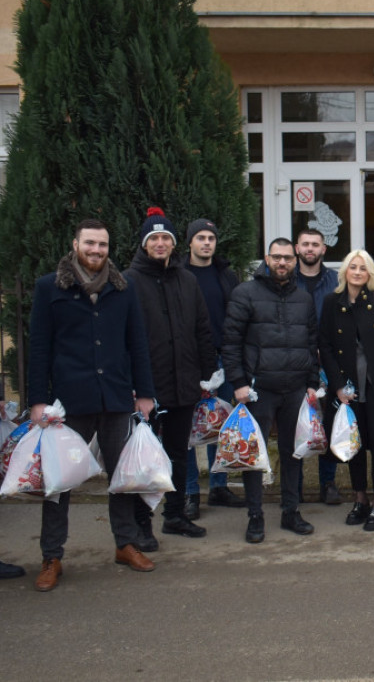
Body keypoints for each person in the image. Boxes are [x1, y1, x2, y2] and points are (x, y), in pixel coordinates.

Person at [28, 218, 157, 590]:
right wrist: (37, 401)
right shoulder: (49, 288)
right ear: (76, 245)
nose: (96, 250)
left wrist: (145, 393)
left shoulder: (123, 288)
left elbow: (137, 343)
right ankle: (51, 555)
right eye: (90, 243)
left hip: (115, 397)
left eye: (102, 244)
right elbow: (39, 348)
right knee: (59, 481)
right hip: (69, 402)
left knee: (122, 477)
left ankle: (125, 543)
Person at [125, 207, 216, 542]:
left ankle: (175, 516)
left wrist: (207, 374)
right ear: (144, 244)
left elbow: (202, 329)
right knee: (146, 458)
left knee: (179, 453)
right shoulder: (129, 281)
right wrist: (132, 385)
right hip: (148, 387)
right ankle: (141, 523)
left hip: (185, 383)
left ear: (174, 243)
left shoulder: (187, 280)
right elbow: (122, 337)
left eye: (166, 238)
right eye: (154, 238)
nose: (160, 243)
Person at [222, 238, 321, 543]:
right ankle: (255, 515)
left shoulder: (303, 298)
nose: (282, 263)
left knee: (293, 453)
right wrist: (238, 383)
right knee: (254, 454)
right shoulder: (245, 293)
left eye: (287, 258)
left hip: (295, 389)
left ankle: (291, 511)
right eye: (276, 257)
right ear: (267, 259)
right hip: (258, 390)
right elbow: (231, 342)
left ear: (294, 261)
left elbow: (312, 343)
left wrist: (312, 383)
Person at [319, 250, 374, 532]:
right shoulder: (332, 302)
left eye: (363, 268)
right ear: (345, 271)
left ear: (370, 274)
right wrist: (337, 386)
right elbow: (325, 346)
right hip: (348, 387)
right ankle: (360, 499)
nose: (357, 272)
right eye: (353, 267)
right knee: (353, 445)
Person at [182, 219, 245, 518]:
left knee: (222, 426)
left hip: (225, 359)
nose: (206, 242)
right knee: (188, 429)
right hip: (191, 360)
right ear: (190, 242)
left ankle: (219, 487)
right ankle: (190, 492)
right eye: (200, 237)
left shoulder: (226, 275)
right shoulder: (179, 274)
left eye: (211, 238)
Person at [294, 228, 343, 506]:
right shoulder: (287, 279)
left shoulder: (336, 281)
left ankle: (328, 482)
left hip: (329, 361)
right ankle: (296, 485)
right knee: (296, 422)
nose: (310, 248)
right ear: (297, 248)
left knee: (329, 422)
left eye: (315, 244)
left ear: (324, 249)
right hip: (295, 361)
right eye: (305, 244)